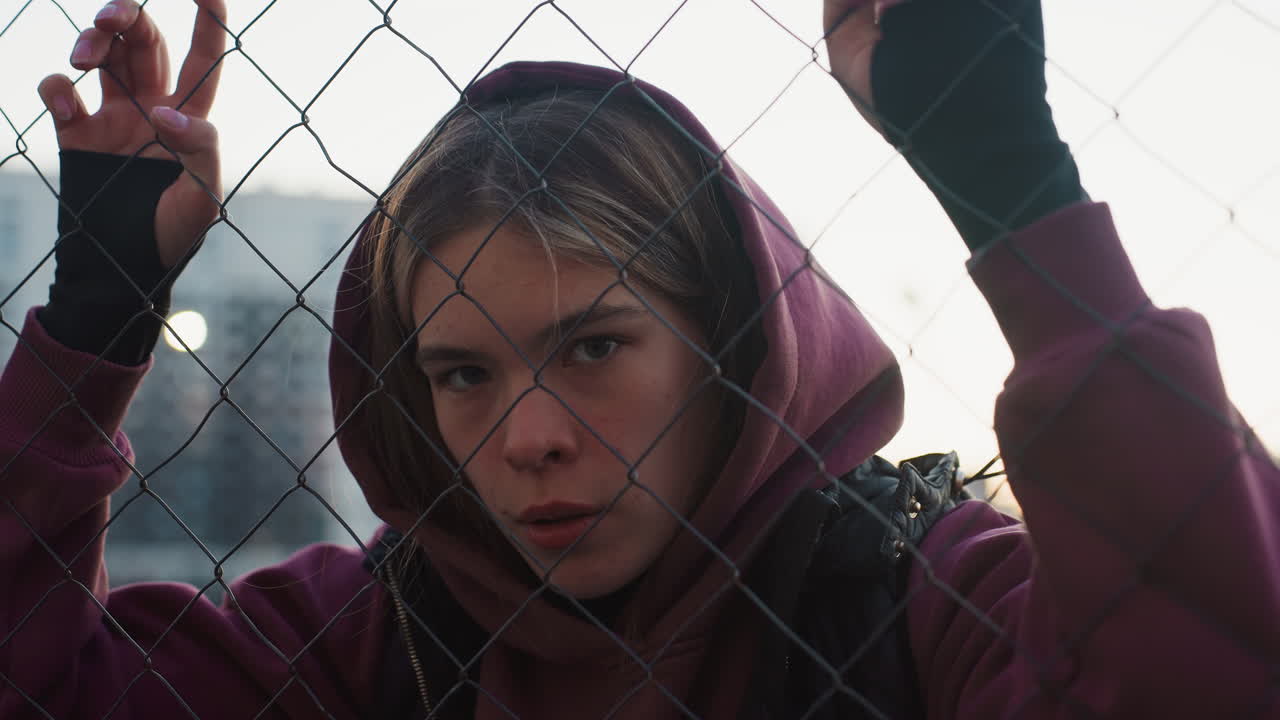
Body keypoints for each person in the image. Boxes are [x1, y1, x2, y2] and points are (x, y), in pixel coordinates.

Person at [2, 0, 1276, 717]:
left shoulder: (913, 602)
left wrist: (1015, 185)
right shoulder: (375, 638)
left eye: (595, 345)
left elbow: (1211, 668)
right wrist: (97, 322)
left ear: (730, 345)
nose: (531, 438)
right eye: (461, 374)